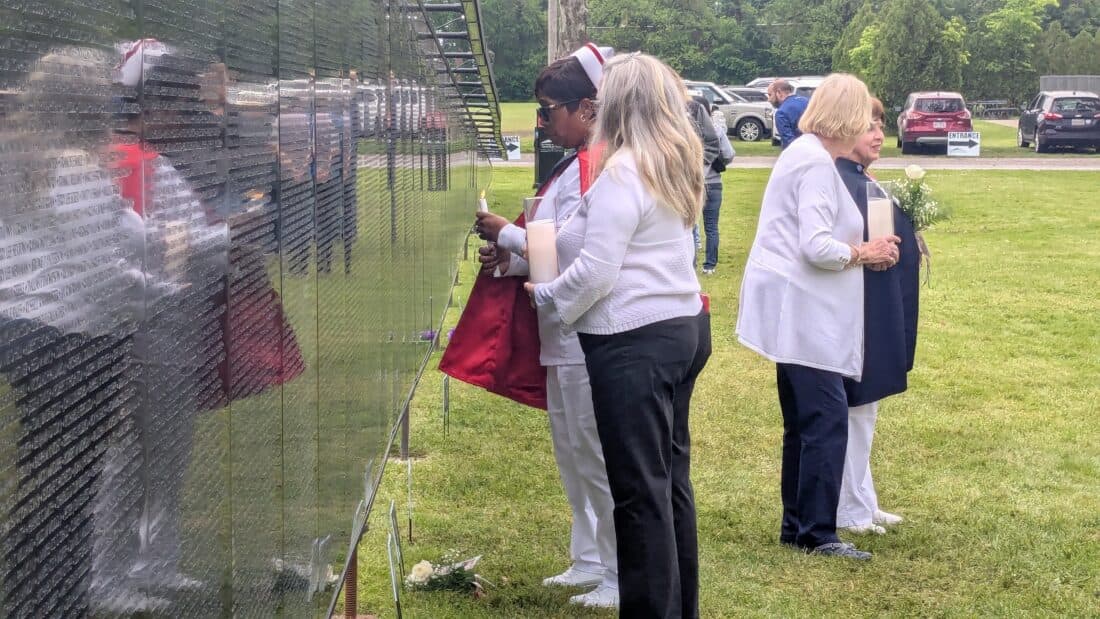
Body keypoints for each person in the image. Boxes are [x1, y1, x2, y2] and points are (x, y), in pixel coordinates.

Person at [528, 53, 711, 618]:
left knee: (637, 495)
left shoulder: (625, 170)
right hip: (680, 329)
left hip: (633, 342)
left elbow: (597, 272)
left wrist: (548, 298)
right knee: (668, 485)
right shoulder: (672, 162)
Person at [465, 43, 621, 610]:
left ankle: (617, 570)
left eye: (547, 109)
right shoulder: (571, 165)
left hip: (589, 331)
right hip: (560, 329)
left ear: (586, 107)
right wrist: (516, 259)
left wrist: (508, 234)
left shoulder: (600, 166)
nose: (541, 121)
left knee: (596, 451)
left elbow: (581, 252)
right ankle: (587, 556)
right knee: (573, 450)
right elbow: (555, 252)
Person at [735, 73, 900, 560]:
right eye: (865, 117)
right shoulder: (814, 165)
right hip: (806, 312)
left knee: (804, 423)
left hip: (801, 310)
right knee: (826, 419)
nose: (870, 126)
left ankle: (799, 524)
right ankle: (818, 532)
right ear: (847, 117)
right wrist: (863, 251)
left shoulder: (805, 154)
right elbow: (816, 246)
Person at [834, 98, 920, 535]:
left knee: (865, 410)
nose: (877, 134)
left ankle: (863, 498)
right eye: (868, 125)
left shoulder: (863, 179)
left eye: (881, 124)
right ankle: (848, 507)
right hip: (855, 310)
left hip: (874, 304)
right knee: (855, 407)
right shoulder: (840, 181)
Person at [702, 102, 734, 275]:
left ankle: (689, 264)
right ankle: (710, 266)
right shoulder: (716, 129)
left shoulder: (684, 129)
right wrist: (718, 161)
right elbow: (729, 154)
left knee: (689, 228)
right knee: (711, 226)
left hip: (693, 183)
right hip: (713, 181)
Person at [686, 96, 720, 262]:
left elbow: (714, 145)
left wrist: (696, 167)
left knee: (691, 226)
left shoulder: (693, 108)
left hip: (695, 180)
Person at [768, 79, 809, 149]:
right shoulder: (808, 101)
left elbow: (788, 142)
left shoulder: (781, 113)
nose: (768, 99)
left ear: (779, 92)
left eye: (770, 95)